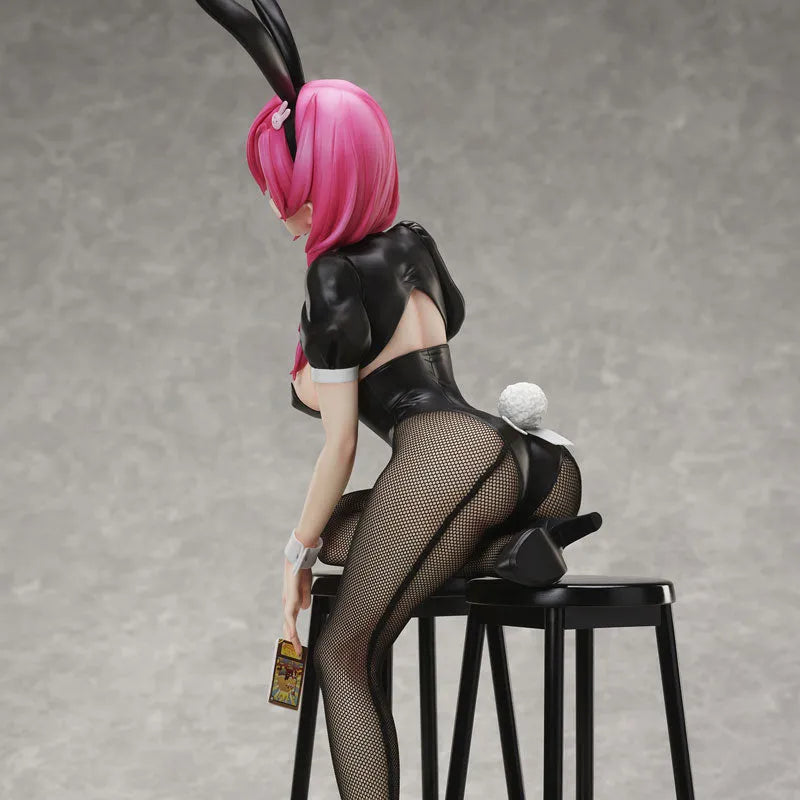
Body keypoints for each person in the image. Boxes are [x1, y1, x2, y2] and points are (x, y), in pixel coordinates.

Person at [195, 2, 582, 797]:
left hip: (448, 458)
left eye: (282, 185)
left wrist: (294, 556)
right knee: (351, 528)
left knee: (342, 652)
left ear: (318, 179)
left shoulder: (331, 277)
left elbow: (340, 444)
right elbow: (438, 329)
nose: (275, 205)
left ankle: (486, 549)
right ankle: (500, 551)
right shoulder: (415, 244)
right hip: (537, 468)